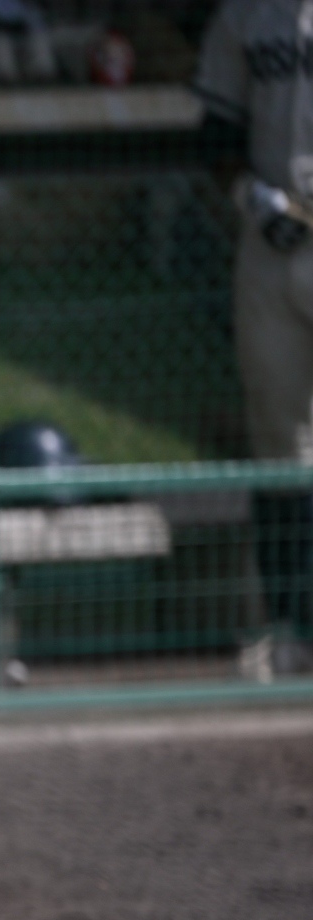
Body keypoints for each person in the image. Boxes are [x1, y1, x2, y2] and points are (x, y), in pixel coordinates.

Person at [197, 0, 313, 676]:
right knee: (282, 448)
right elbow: (215, 135)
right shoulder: (244, 15)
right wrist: (252, 198)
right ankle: (290, 625)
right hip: (273, 248)